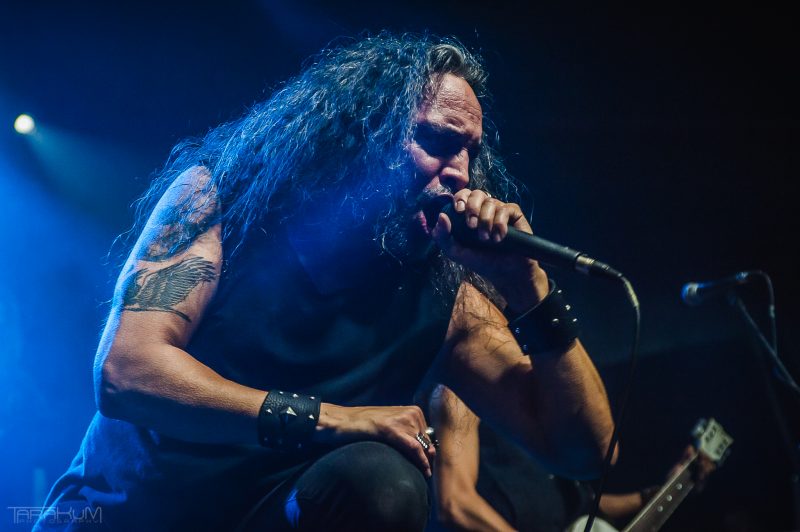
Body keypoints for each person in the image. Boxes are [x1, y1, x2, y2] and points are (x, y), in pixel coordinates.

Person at [36, 33, 615, 531]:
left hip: (267, 516)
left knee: (382, 483)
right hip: (128, 513)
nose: (461, 173)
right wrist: (336, 418)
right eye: (437, 142)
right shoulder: (219, 200)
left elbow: (584, 452)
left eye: (470, 151)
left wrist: (529, 287)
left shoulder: (447, 296)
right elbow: (128, 373)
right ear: (361, 134)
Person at [428, 385, 716, 532]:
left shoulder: (535, 404)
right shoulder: (458, 393)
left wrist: (659, 492)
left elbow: (585, 504)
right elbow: (455, 504)